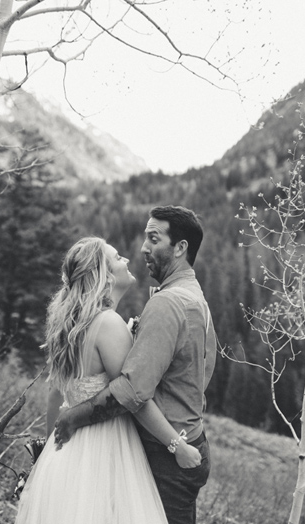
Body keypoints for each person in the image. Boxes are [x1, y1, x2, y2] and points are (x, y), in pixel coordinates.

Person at [15, 237, 203, 524]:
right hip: (106, 448)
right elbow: (134, 396)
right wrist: (178, 446)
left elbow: (57, 393)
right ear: (103, 275)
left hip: (71, 450)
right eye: (117, 258)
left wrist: (48, 452)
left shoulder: (68, 324)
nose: (126, 260)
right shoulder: (108, 324)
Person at [54, 206, 217, 524]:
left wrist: (73, 416)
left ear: (180, 248)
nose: (142, 248)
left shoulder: (167, 303)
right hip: (188, 439)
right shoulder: (193, 296)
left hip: (169, 453)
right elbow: (206, 365)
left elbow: (132, 390)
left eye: (153, 239)